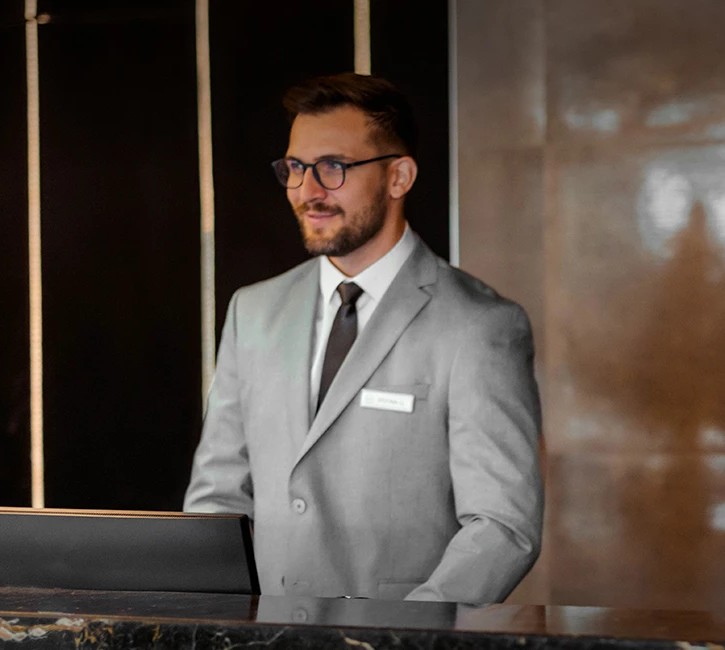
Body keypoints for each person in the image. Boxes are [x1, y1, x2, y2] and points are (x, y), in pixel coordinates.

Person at [185, 73, 542, 604]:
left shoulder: (479, 324)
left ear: (399, 176)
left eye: (334, 168)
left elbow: (502, 526)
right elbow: (217, 498)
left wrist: (403, 637)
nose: (308, 191)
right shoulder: (252, 311)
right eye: (296, 168)